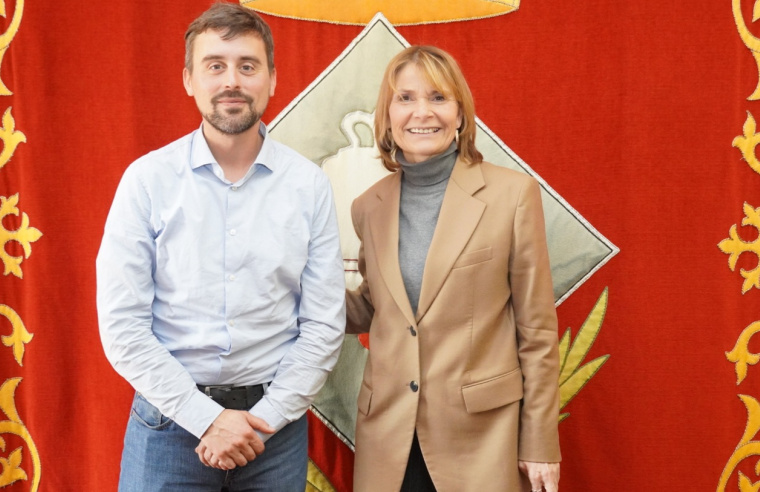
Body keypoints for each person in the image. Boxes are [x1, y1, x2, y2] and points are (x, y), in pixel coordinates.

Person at [96, 3, 345, 491]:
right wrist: (206, 418)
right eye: (215, 66)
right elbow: (122, 324)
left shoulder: (308, 186)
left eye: (247, 66)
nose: (232, 80)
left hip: (274, 428)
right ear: (189, 79)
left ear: (272, 79)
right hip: (169, 425)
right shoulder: (147, 181)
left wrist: (262, 418)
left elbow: (322, 323)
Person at [345, 45, 561, 492]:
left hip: (480, 439)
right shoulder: (368, 207)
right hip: (387, 438)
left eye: (438, 97)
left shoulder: (513, 196)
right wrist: (285, 287)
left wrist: (540, 442)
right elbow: (379, 308)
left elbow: (537, 332)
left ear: (460, 114)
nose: (422, 112)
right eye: (405, 98)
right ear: (386, 118)